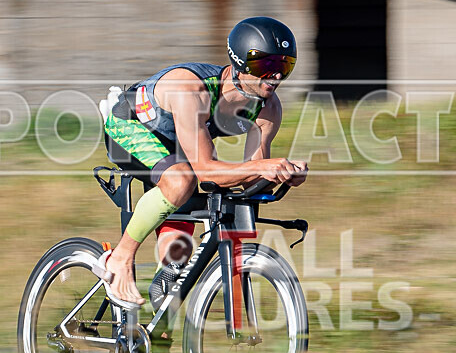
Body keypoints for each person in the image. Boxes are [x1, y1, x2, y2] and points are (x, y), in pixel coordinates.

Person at [97, 16, 308, 309]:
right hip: (130, 128)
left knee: (174, 273)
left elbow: (250, 176)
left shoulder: (267, 107)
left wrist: (280, 175)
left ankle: (156, 333)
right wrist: (263, 167)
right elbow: (206, 168)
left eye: (284, 67)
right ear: (238, 63)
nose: (275, 78)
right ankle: (119, 257)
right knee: (184, 179)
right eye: (266, 67)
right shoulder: (193, 89)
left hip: (179, 149)